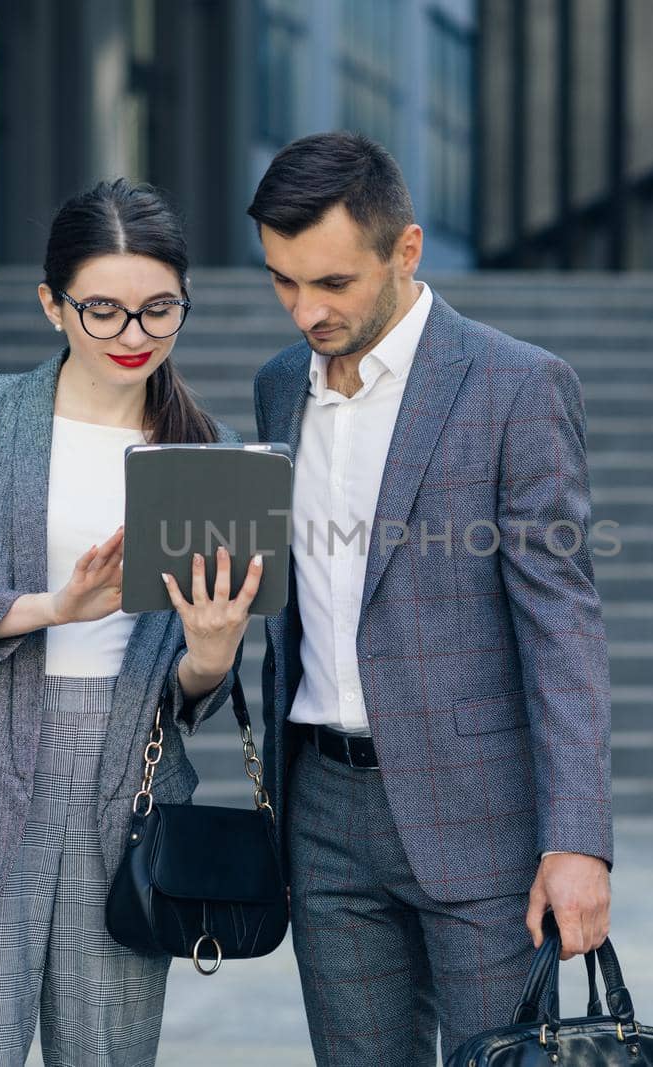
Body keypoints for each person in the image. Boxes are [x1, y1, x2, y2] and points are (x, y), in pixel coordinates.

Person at [0, 177, 260, 1066]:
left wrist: (210, 655)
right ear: (53, 304)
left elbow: (194, 692)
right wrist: (50, 608)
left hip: (126, 799)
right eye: (104, 311)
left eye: (160, 310)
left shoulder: (212, 455)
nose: (134, 337)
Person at [248, 131, 614, 1063]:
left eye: (333, 283)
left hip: (481, 817)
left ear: (406, 251)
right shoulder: (279, 386)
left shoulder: (516, 386)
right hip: (323, 814)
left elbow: (562, 624)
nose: (304, 312)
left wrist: (578, 841)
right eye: (283, 281)